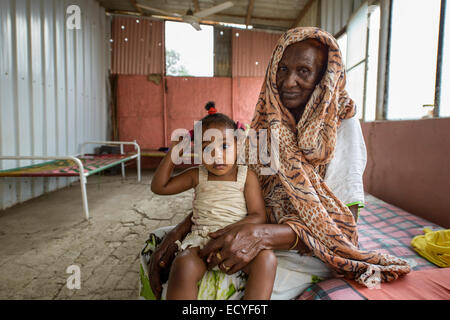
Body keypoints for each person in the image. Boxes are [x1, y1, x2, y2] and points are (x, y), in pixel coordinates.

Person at [140, 27, 410, 301]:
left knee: (213, 293)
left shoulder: (340, 125)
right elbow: (228, 190)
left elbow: (344, 226)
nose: (288, 81)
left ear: (323, 77)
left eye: (303, 71)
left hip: (306, 250)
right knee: (157, 245)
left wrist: (263, 235)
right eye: (282, 69)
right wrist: (181, 231)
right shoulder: (267, 123)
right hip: (249, 227)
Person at [150, 104, 277, 300]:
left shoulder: (246, 176)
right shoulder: (197, 174)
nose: (216, 155)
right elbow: (159, 187)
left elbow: (258, 215)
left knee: (267, 259)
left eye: (224, 146)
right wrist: (174, 151)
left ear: (238, 145)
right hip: (202, 238)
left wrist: (230, 231)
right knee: (183, 265)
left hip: (238, 238)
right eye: (206, 147)